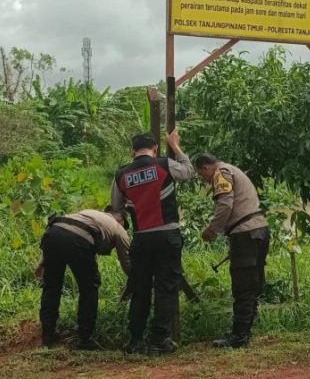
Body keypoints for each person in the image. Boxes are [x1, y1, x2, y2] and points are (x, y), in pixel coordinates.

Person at [111, 130, 194, 355]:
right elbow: (188, 172)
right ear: (155, 148)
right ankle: (159, 339)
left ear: (132, 151)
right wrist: (175, 146)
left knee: (141, 288)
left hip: (141, 238)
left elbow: (117, 208)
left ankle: (136, 340)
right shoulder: (164, 164)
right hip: (167, 235)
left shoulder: (121, 175)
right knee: (166, 287)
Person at [194, 153, 269, 349]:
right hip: (259, 231)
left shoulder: (221, 173)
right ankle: (244, 332)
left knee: (243, 287)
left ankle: (239, 337)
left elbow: (225, 204)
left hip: (245, 235)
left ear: (205, 168)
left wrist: (212, 229)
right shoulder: (233, 170)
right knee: (252, 286)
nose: (206, 180)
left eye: (203, 176)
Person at [35, 206, 131, 350]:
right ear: (121, 220)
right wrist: (138, 280)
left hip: (53, 233)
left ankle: (48, 335)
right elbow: (128, 263)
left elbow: (62, 228)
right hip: (79, 240)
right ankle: (85, 339)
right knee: (89, 288)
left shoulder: (88, 213)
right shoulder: (119, 228)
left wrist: (42, 262)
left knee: (51, 287)